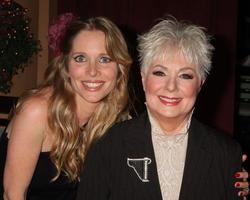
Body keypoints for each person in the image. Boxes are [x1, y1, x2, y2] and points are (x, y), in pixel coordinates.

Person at [76, 17, 249, 200]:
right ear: (143, 79)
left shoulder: (226, 153)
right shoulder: (108, 145)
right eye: (160, 73)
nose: (171, 87)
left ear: (200, 83)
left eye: (185, 75)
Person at [0, 16, 132, 199]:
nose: (92, 71)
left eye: (104, 59)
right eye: (80, 58)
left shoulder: (115, 117)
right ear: (66, 66)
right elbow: (12, 194)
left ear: (120, 68)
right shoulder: (37, 111)